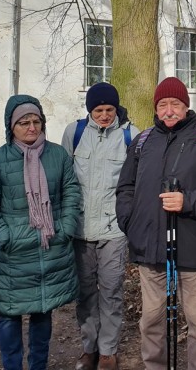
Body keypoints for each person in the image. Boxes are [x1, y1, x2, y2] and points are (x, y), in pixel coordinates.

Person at [116, 77, 196, 370]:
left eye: (175, 104)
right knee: (151, 322)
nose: (168, 111)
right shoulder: (142, 141)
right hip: (150, 248)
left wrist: (187, 201)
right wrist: (130, 222)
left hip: (194, 245)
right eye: (163, 104)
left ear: (185, 106)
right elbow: (125, 186)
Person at [0, 96, 81, 370]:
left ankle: (38, 365)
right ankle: (12, 366)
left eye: (36, 121)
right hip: (12, 254)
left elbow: (71, 191)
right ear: (11, 126)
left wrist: (66, 227)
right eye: (24, 122)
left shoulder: (57, 155)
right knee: (9, 315)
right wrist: (3, 236)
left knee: (43, 313)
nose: (31, 127)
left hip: (50, 248)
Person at [61, 83, 139, 370]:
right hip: (81, 229)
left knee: (111, 290)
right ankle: (88, 347)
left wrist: (128, 220)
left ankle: (108, 350)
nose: (104, 115)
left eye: (109, 110)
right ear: (89, 111)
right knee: (84, 292)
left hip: (114, 230)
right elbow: (65, 179)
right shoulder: (75, 133)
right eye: (98, 110)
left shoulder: (131, 135)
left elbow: (136, 185)